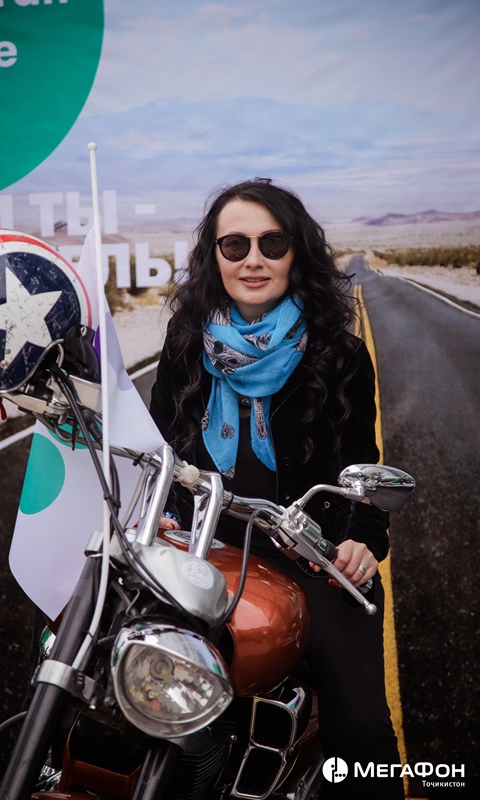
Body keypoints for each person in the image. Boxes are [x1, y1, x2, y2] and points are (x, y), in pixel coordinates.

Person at [150, 177, 404, 799]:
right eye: (235, 245)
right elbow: (159, 454)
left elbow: (360, 466)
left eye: (272, 243)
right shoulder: (184, 346)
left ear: (296, 252)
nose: (254, 260)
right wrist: (161, 515)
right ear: (214, 255)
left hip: (311, 560)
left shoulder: (338, 354)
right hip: (202, 556)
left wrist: (362, 542)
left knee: (361, 731)